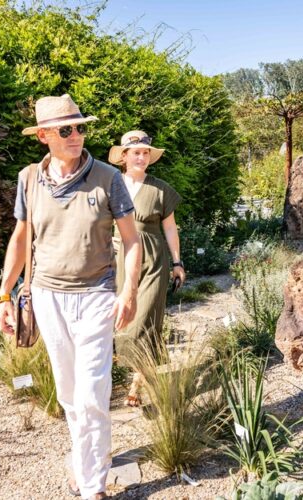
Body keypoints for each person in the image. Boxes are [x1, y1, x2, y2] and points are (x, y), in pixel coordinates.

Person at [0, 94, 141, 500]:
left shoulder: (108, 177)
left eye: (80, 127)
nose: (76, 135)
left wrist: (128, 292)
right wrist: (4, 295)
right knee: (68, 393)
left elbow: (131, 241)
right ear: (44, 136)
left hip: (96, 295)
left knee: (92, 392)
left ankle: (92, 485)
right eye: (65, 129)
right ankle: (86, 459)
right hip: (46, 296)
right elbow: (21, 239)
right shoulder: (28, 179)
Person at [108, 130, 184, 407]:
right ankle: (133, 372)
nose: (141, 157)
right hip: (119, 259)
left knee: (146, 320)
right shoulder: (112, 185)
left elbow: (170, 229)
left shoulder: (160, 189)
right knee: (121, 320)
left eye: (145, 153)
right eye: (135, 152)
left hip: (153, 260)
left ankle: (136, 384)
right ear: (124, 157)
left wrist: (177, 262)